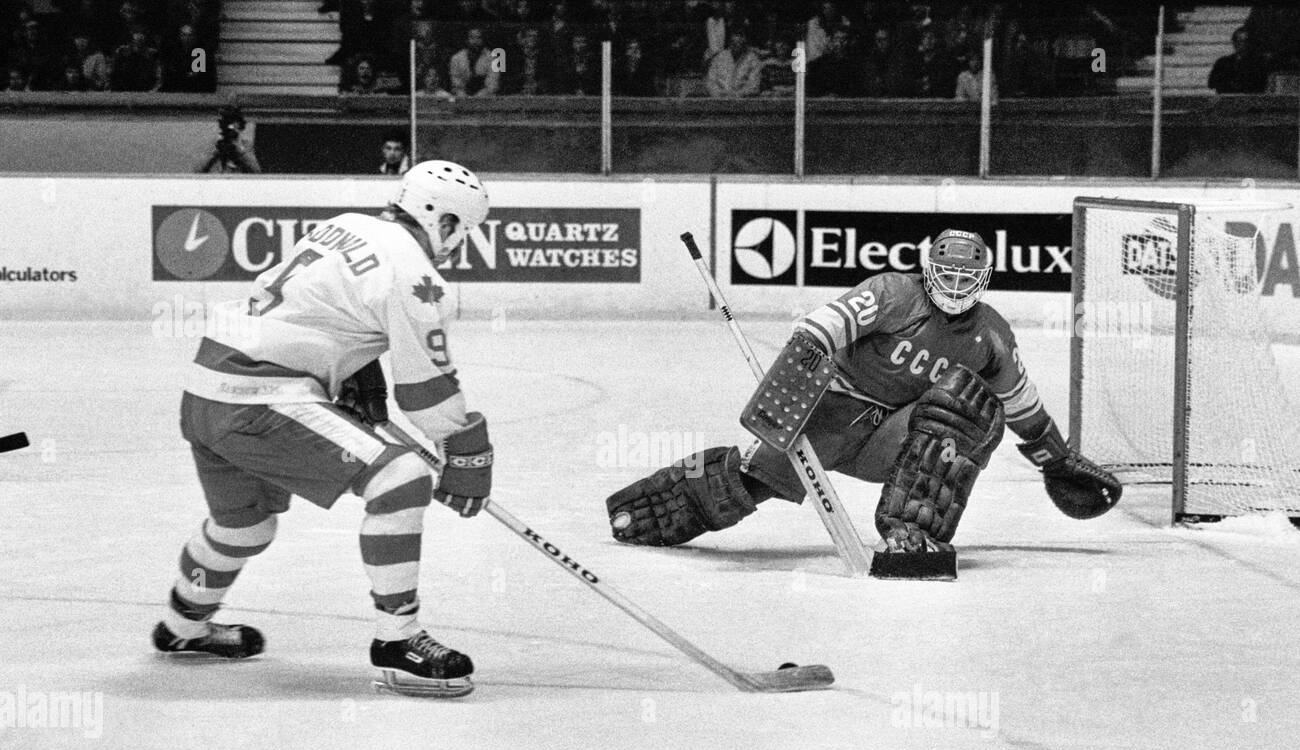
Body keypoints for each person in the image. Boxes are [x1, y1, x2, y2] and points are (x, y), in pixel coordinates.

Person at [153, 160, 493, 699]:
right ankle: (398, 640)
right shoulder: (420, 279)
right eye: (461, 231)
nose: (456, 244)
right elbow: (426, 395)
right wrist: (467, 451)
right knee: (402, 479)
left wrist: (357, 370)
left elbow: (320, 306)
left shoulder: (344, 225)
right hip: (260, 396)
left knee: (244, 527)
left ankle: (182, 627)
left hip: (207, 387)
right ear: (444, 221)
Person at [606, 230, 1122, 569]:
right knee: (755, 482)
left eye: (969, 278)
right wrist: (800, 364)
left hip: (895, 436)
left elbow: (1022, 403)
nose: (958, 286)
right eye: (949, 275)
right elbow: (828, 322)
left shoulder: (991, 335)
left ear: (983, 280)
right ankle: (653, 510)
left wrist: (1052, 455)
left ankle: (911, 537)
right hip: (830, 412)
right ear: (929, 271)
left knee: (968, 403)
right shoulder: (898, 292)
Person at [196, 105, 261, 174]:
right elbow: (198, 172)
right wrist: (216, 153)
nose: (230, 126)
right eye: (226, 121)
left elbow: (256, 172)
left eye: (233, 122)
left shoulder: (246, 146)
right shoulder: (214, 145)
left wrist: (237, 153)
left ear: (240, 125)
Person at [1208, 27, 1269, 94]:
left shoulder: (1258, 63)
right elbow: (1212, 83)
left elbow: (1261, 84)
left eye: (1245, 41)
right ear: (1234, 42)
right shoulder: (1223, 62)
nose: (1242, 44)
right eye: (1239, 41)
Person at [706, 26, 762, 97]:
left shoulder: (753, 60)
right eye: (734, 43)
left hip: (743, 102)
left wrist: (737, 95)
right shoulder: (719, 58)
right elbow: (710, 82)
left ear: (746, 41)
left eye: (741, 37)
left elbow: (754, 86)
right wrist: (720, 94)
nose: (737, 41)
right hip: (720, 101)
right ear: (729, 41)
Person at [449, 26, 500, 96]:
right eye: (472, 38)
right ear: (466, 40)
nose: (475, 41)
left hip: (485, 97)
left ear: (483, 40)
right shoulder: (456, 58)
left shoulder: (493, 58)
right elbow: (456, 83)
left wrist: (476, 98)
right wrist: (464, 97)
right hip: (462, 97)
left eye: (478, 38)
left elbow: (493, 84)